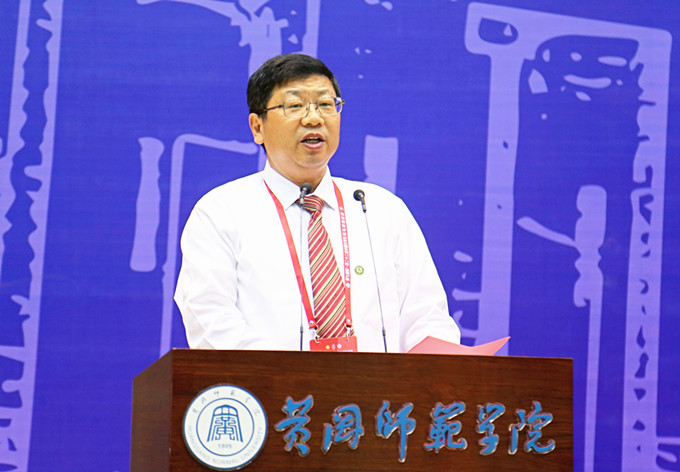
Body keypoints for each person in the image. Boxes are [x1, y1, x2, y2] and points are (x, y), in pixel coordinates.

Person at [174, 53, 461, 352]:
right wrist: (298, 375)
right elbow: (212, 322)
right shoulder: (221, 212)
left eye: (325, 104)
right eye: (294, 106)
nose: (314, 118)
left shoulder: (381, 209)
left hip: (377, 384)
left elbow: (428, 319)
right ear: (258, 127)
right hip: (270, 383)